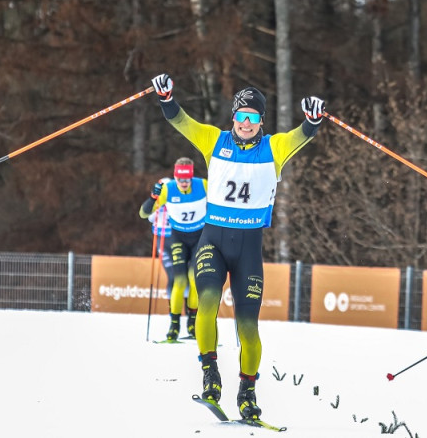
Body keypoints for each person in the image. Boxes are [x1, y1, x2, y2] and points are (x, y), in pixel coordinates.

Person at [150, 73, 324, 419]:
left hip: (248, 250)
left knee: (248, 327)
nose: (246, 123)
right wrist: (167, 98)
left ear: (261, 121)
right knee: (208, 303)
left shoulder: (273, 148)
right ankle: (210, 374)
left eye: (253, 117)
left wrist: (312, 120)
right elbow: (180, 121)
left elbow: (300, 135)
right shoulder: (213, 140)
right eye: (241, 116)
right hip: (212, 242)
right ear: (233, 118)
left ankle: (247, 392)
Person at [139, 158, 208, 341]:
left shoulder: (203, 185)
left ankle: (192, 323)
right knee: (179, 280)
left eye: (187, 180)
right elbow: (144, 213)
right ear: (175, 178)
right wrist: (153, 197)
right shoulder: (168, 189)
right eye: (180, 180)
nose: (184, 184)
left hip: (199, 238)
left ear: (191, 177)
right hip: (178, 238)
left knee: (194, 280)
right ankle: (174, 325)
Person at [144, 177, 174, 313]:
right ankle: (173, 312)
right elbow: (148, 217)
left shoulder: (176, 200)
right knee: (172, 275)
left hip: (177, 240)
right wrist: (157, 203)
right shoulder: (158, 202)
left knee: (183, 276)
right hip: (162, 240)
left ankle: (187, 313)